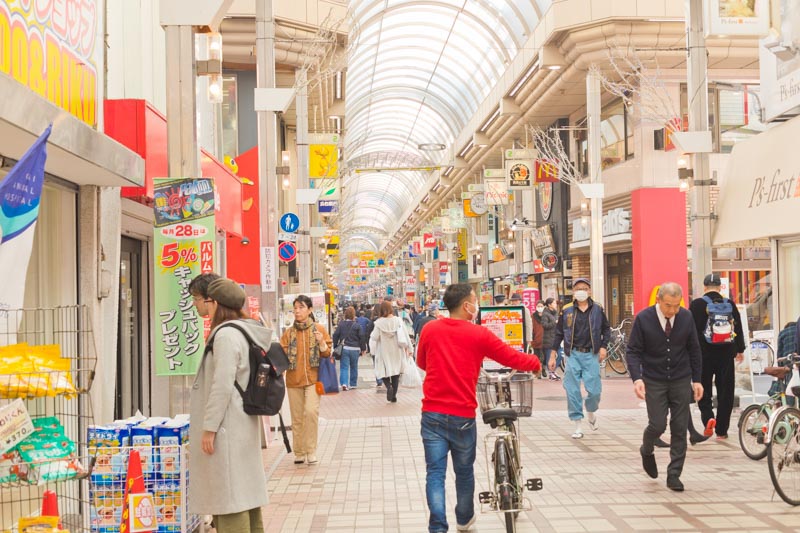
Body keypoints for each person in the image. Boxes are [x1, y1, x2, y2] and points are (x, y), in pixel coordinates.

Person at [416, 283, 541, 533]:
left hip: (432, 414)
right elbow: (510, 357)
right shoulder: (478, 334)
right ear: (466, 306)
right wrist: (534, 362)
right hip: (462, 415)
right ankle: (464, 519)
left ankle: (438, 527)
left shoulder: (431, 329)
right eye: (474, 300)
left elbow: (422, 362)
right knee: (464, 472)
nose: (476, 305)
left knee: (435, 474)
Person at [188, 278, 269, 532]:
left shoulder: (225, 335)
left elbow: (221, 384)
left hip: (226, 425)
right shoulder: (245, 330)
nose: (197, 305)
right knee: (245, 496)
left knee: (229, 497)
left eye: (200, 300)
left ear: (214, 304)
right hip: (241, 421)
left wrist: (209, 427)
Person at [626, 282, 703, 492]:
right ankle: (647, 448)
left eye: (676, 305)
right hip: (654, 379)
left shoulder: (686, 317)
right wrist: (637, 379)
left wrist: (697, 380)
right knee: (658, 425)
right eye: (668, 305)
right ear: (658, 300)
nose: (672, 310)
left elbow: (694, 350)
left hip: (680, 378)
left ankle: (674, 474)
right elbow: (632, 351)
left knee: (680, 427)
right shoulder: (644, 318)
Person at [548, 278, 610, 439]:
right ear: (573, 292)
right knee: (572, 389)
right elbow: (559, 333)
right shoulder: (567, 310)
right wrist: (553, 354)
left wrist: (603, 346)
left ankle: (590, 411)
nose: (581, 291)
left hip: (592, 354)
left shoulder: (597, 309)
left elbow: (606, 329)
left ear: (589, 291)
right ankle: (577, 424)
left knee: (595, 391)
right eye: (577, 288)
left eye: (584, 288)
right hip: (572, 354)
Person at [689, 273, 745, 440]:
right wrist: (740, 349)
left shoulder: (697, 305)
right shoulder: (729, 304)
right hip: (726, 353)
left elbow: (690, 330)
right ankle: (722, 430)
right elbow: (738, 328)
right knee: (726, 391)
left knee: (702, 388)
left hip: (703, 355)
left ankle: (708, 418)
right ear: (720, 287)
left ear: (705, 287)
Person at [279, 295, 332, 465]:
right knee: (297, 417)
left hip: (314, 378)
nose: (297, 311)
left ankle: (311, 450)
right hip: (294, 379)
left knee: (310, 412)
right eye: (295, 308)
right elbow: (281, 355)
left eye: (301, 307)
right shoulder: (288, 333)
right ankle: (299, 452)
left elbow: (327, 353)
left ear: (309, 310)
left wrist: (322, 342)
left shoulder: (319, 329)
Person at [370, 300, 412, 402]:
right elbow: (405, 335)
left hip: (384, 351)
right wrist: (409, 348)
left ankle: (389, 387)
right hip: (397, 350)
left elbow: (374, 337)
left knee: (383, 372)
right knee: (396, 374)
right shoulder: (398, 321)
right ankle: (393, 396)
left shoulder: (379, 323)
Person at [332, 306, 366, 391]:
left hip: (345, 348)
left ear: (345, 314)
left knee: (344, 367)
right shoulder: (357, 325)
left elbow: (335, 335)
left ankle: (344, 383)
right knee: (354, 366)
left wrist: (335, 346)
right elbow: (362, 337)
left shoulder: (341, 324)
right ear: (353, 315)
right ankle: (353, 384)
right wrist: (363, 349)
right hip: (355, 349)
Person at [541, 298, 560, 381]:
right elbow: (544, 325)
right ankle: (550, 373)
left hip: (556, 338)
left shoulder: (556, 313)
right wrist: (554, 322)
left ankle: (553, 371)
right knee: (549, 357)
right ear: (549, 305)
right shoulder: (545, 314)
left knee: (560, 355)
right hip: (548, 339)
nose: (556, 305)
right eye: (554, 303)